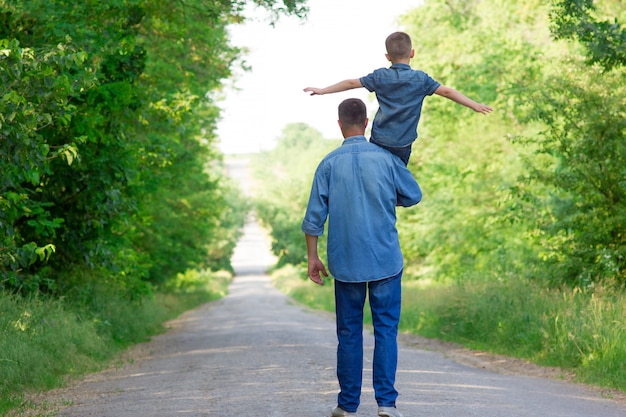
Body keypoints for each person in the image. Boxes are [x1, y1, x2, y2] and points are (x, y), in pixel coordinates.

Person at [301, 98, 422, 417]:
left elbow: (314, 217)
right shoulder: (386, 159)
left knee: (349, 333)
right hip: (385, 259)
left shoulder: (328, 163)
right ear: (367, 123)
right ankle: (386, 403)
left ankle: (347, 404)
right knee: (385, 331)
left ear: (340, 124)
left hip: (346, 262)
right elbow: (413, 194)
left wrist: (312, 257)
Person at [303, 31, 493, 165]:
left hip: (379, 140)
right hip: (403, 143)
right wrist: (474, 105)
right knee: (397, 175)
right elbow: (447, 92)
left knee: (377, 170)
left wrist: (323, 90)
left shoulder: (380, 76)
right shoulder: (421, 79)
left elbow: (352, 83)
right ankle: (397, 197)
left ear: (387, 56)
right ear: (412, 53)